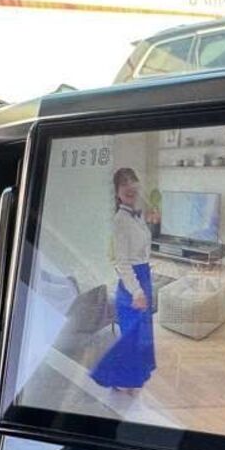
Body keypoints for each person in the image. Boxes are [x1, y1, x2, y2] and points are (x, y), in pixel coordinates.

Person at [90, 167, 156, 390]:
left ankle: (131, 377)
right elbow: (122, 262)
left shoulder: (137, 216)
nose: (129, 187)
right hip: (132, 282)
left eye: (132, 182)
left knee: (140, 332)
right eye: (123, 184)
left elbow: (142, 250)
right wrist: (137, 291)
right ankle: (115, 378)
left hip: (144, 276)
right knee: (132, 334)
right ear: (117, 192)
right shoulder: (120, 221)